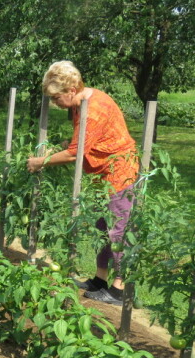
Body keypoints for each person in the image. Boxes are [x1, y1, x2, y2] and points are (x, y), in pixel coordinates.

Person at [26, 61, 139, 306]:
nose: (55, 102)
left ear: (71, 89)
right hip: (103, 174)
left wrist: (41, 161)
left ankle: (120, 289)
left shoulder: (94, 108)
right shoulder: (81, 104)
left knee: (117, 230)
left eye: (56, 97)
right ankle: (100, 280)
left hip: (119, 173)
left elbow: (74, 153)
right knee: (103, 228)